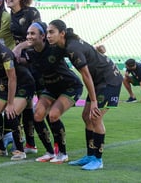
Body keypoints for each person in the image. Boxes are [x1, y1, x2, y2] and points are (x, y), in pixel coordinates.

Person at [47, 19, 123, 171]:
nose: (48, 35)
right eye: (47, 32)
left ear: (62, 33)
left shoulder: (72, 48)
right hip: (99, 81)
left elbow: (86, 75)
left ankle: (98, 160)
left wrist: (93, 100)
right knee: (86, 116)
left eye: (51, 32)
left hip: (109, 80)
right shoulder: (66, 44)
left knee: (95, 117)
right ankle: (90, 155)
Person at [23, 22, 83, 163]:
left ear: (43, 36)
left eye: (32, 33)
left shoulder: (55, 48)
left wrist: (96, 49)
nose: (29, 36)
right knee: (37, 115)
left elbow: (74, 49)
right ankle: (50, 152)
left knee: (53, 115)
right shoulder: (29, 53)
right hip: (51, 89)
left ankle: (62, 153)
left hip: (70, 86)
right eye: (28, 34)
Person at [0, 27, 35, 161]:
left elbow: (13, 78)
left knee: (11, 113)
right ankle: (0, 148)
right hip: (6, 83)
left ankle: (20, 150)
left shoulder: (4, 54)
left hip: (23, 83)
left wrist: (9, 104)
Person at [9, 0, 41, 154]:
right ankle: (29, 143)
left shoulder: (32, 12)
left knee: (39, 107)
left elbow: (36, 36)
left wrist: (19, 48)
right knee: (26, 105)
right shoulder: (11, 15)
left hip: (36, 63)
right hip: (21, 63)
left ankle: (53, 147)